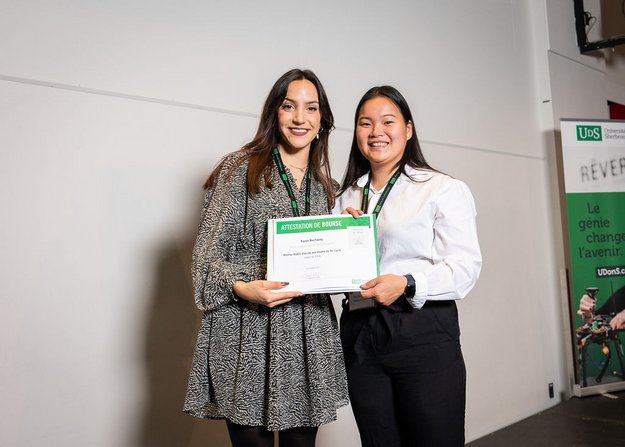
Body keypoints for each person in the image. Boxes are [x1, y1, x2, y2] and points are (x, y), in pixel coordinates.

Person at [183, 69, 348, 447]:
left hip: (309, 335)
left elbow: (337, 262)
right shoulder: (241, 168)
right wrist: (243, 287)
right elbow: (204, 259)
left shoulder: (327, 188)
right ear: (274, 112)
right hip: (247, 329)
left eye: (311, 108)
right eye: (289, 106)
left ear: (323, 121)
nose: (299, 118)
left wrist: (351, 232)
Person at [335, 86, 482, 447]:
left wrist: (407, 283)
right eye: (365, 123)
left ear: (409, 129)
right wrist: (339, 235)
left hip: (423, 332)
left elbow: (465, 269)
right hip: (359, 330)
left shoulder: (441, 189)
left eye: (388, 122)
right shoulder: (344, 196)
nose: (376, 132)